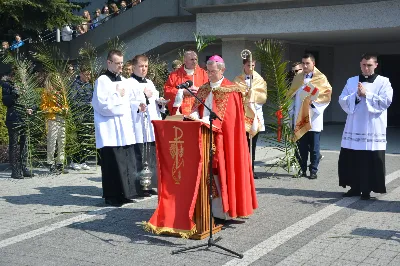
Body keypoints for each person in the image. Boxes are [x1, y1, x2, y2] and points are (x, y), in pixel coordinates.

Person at [187, 55, 258, 220]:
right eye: (208, 71)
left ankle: (222, 212)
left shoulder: (231, 90)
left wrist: (206, 121)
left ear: (222, 70)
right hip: (203, 136)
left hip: (222, 141)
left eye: (213, 72)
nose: (209, 75)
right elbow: (197, 108)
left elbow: (229, 120)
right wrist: (193, 115)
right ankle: (206, 210)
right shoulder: (204, 88)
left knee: (222, 172)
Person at [338, 54, 393, 200]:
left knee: (370, 158)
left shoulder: (383, 82)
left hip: (373, 127)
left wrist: (366, 94)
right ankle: (354, 187)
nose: (366, 68)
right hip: (354, 126)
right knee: (353, 157)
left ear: (376, 65)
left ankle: (367, 189)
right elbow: (342, 100)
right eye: (363, 65)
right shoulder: (351, 81)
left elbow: (386, 101)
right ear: (360, 64)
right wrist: (356, 96)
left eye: (369, 65)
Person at [92, 49, 142, 207]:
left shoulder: (124, 80)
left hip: (124, 130)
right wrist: (116, 95)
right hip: (110, 131)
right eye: (118, 63)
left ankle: (126, 193)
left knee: (126, 162)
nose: (121, 66)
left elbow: (128, 103)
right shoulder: (102, 81)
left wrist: (138, 106)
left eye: (122, 63)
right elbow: (101, 105)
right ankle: (111, 196)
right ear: (109, 63)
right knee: (112, 164)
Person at [287, 53, 332, 179]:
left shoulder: (321, 78)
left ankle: (313, 170)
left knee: (314, 147)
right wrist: (289, 111)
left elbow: (327, 95)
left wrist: (314, 103)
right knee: (301, 147)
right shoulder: (298, 78)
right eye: (303, 63)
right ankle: (301, 169)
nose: (305, 66)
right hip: (299, 117)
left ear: (313, 64)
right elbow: (291, 95)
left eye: (308, 63)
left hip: (313, 117)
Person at [128, 54, 166, 196]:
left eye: (146, 66)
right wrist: (139, 104)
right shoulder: (129, 83)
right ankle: (139, 186)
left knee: (150, 155)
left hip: (150, 124)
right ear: (133, 67)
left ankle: (150, 184)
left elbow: (155, 100)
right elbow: (128, 103)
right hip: (138, 125)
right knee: (139, 155)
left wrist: (160, 103)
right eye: (141, 66)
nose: (144, 69)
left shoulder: (150, 82)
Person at [233, 56, 267, 179]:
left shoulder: (259, 80)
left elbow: (263, 97)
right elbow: (234, 96)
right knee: (243, 145)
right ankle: (242, 170)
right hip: (242, 116)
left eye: (253, 65)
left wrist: (252, 95)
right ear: (244, 66)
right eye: (248, 65)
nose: (251, 68)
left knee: (253, 145)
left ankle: (251, 170)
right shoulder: (238, 80)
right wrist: (245, 95)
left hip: (255, 116)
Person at [1, 74, 35, 179]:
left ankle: (23, 167)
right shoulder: (7, 85)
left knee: (24, 143)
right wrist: (15, 94)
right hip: (13, 117)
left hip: (24, 118)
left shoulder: (27, 85)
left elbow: (33, 101)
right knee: (14, 144)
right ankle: (15, 169)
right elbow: (6, 102)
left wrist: (32, 108)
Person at [40, 73, 69, 174]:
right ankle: (51, 163)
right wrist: (55, 109)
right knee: (52, 142)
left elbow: (65, 105)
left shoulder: (62, 92)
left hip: (62, 118)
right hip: (52, 118)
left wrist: (66, 109)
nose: (58, 82)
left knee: (62, 141)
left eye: (59, 80)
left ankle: (60, 163)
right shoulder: (46, 92)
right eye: (56, 80)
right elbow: (43, 108)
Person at [164, 51, 208, 115]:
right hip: (180, 112)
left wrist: (199, 90)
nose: (194, 61)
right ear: (185, 61)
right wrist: (182, 92)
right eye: (192, 59)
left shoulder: (203, 73)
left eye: (196, 59)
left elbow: (208, 89)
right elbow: (167, 91)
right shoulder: (174, 75)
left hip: (197, 112)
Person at [68, 65, 93, 170]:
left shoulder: (90, 86)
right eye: (86, 74)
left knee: (85, 138)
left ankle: (83, 161)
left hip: (87, 116)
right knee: (78, 139)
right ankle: (74, 161)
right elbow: (73, 101)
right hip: (78, 116)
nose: (88, 76)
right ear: (81, 74)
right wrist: (87, 104)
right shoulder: (75, 85)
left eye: (89, 74)